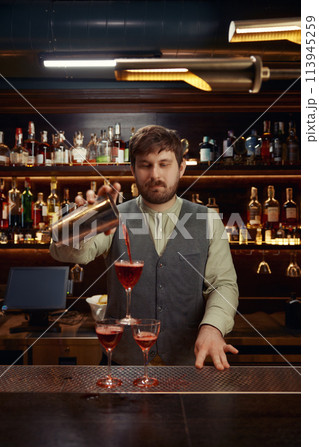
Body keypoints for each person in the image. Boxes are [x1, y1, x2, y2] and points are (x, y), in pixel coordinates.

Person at [50, 125, 239, 370]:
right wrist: (81, 222)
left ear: (181, 168)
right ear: (133, 170)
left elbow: (223, 284)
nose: (155, 174)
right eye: (145, 165)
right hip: (122, 365)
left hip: (189, 364)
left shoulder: (208, 220)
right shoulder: (113, 216)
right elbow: (70, 253)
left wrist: (213, 327)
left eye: (164, 163)